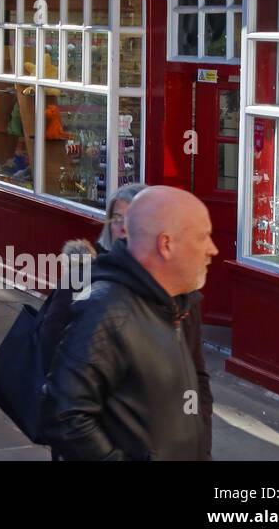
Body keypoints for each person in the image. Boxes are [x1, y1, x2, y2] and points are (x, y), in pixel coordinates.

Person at [40, 186, 217, 460]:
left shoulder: (180, 302)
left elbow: (195, 385)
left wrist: (200, 449)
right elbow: (65, 413)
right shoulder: (105, 306)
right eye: (202, 237)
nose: (212, 249)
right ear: (165, 243)